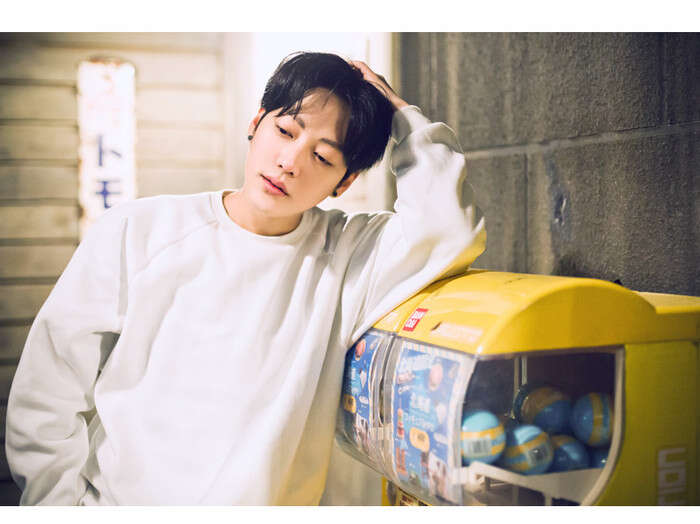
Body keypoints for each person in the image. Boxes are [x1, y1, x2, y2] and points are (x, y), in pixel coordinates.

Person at [5, 52, 486, 505]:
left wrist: (402, 117)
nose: (290, 162)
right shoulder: (138, 231)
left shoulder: (347, 256)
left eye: (322, 157)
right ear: (255, 123)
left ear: (344, 183)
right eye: (285, 131)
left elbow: (447, 227)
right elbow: (48, 394)